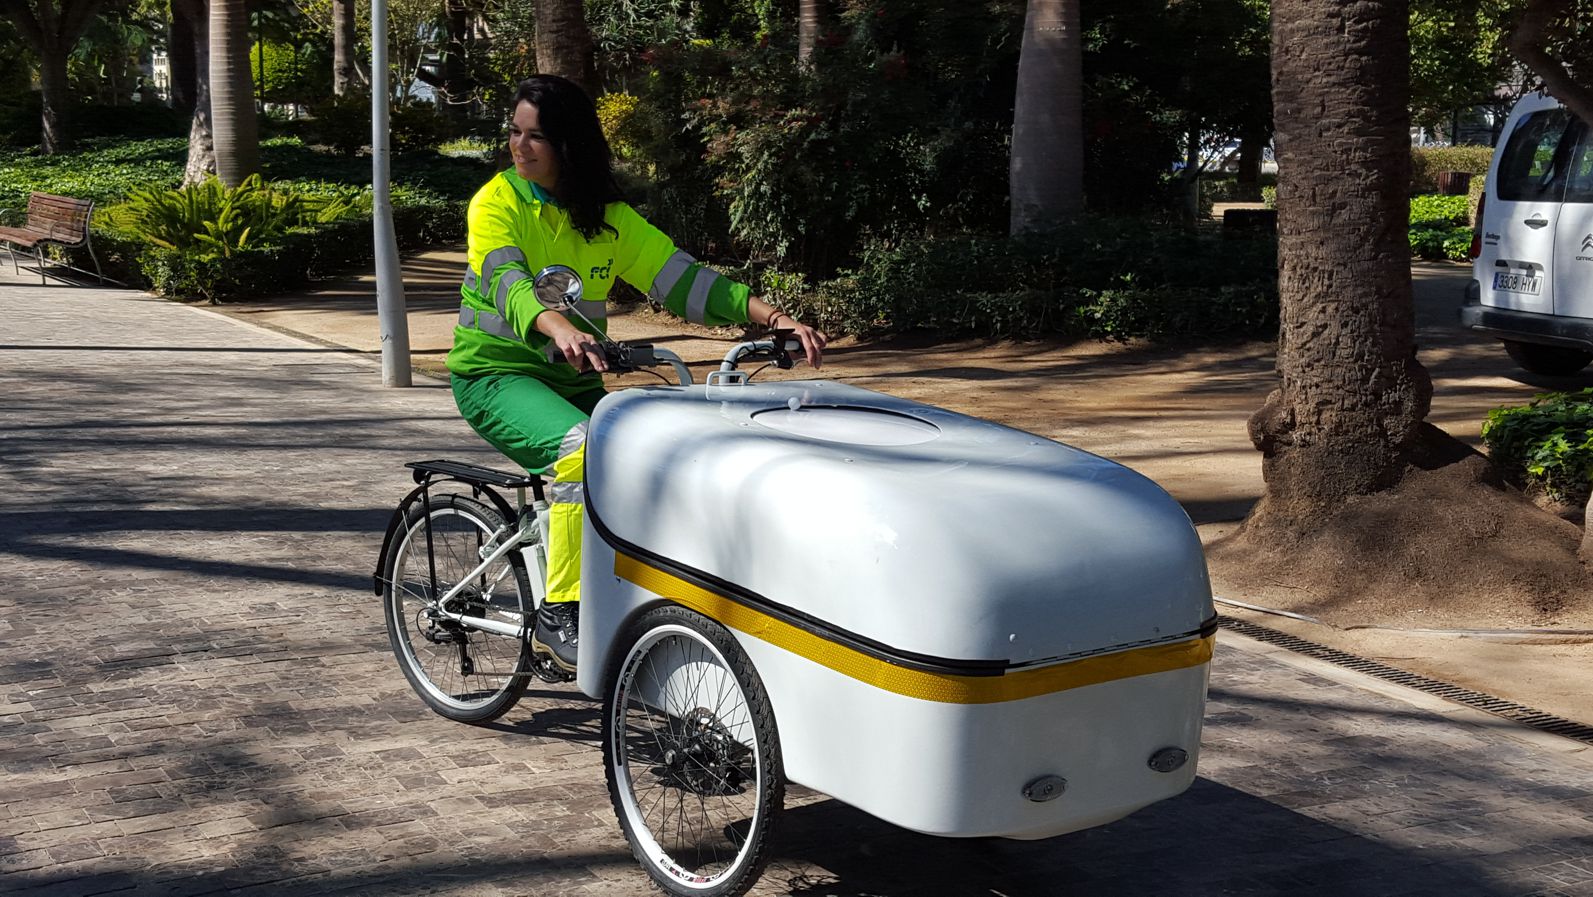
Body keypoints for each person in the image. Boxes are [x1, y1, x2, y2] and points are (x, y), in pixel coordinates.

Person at [447, 74, 827, 673]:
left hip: (572, 379)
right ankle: (560, 610)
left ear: (569, 144)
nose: (519, 146)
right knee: (581, 451)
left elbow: (683, 280)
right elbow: (506, 280)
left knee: (650, 457)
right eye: (514, 132)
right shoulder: (497, 203)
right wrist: (558, 327)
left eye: (535, 136)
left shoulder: (607, 217)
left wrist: (773, 317)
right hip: (495, 376)